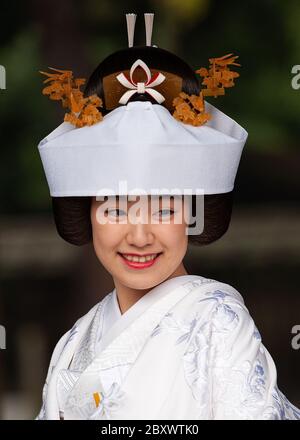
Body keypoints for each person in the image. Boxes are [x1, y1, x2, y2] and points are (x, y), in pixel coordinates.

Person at [35, 13, 300, 420]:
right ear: (86, 210)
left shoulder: (217, 321)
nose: (139, 236)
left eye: (164, 207)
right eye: (116, 207)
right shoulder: (73, 343)